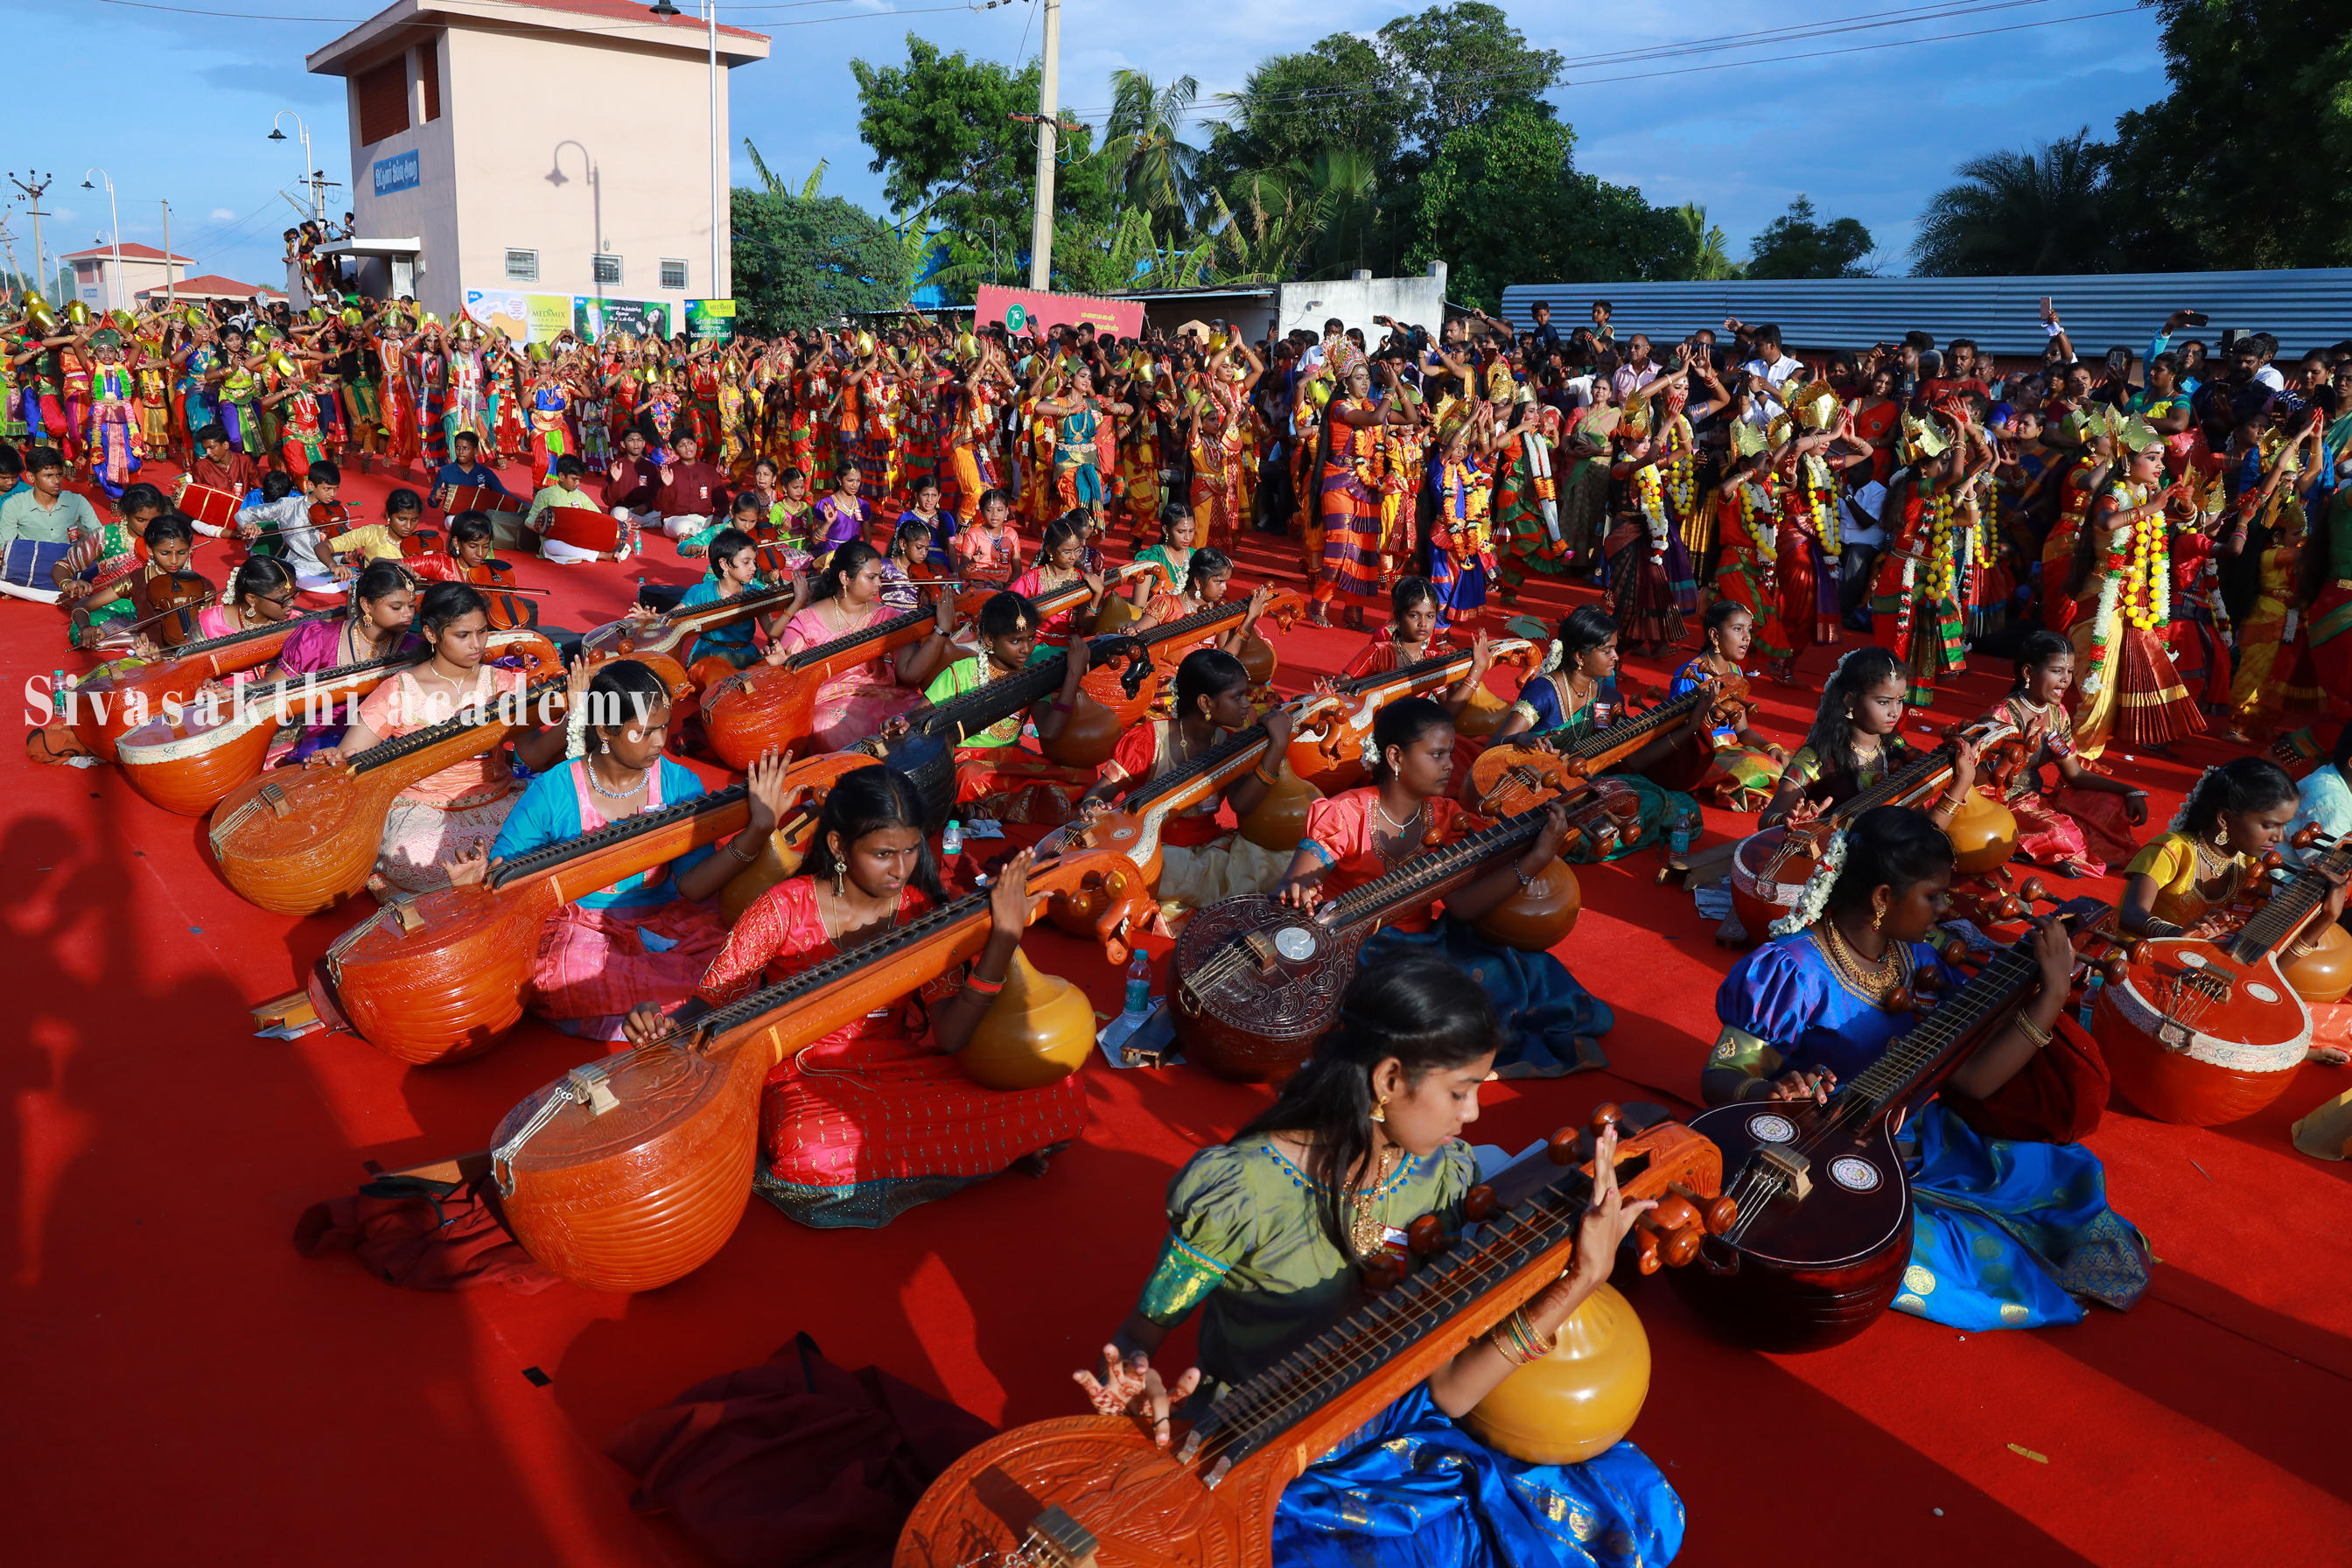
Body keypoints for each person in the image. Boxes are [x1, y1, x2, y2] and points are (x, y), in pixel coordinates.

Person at [1078, 956, 1682, 1568]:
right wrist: (1134, 1383)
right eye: (1459, 1091)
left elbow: (1444, 1391)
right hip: (1261, 1451)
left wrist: (1582, 1279)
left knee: (1630, 1509)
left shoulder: (1441, 1178)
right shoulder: (1245, 1193)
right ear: (1390, 1079)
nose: (1471, 1115)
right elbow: (1138, 1336)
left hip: (1396, 1432)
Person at [1708, 805, 2150, 1330]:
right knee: (1909, 1250)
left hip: (1911, 1143)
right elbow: (1719, 1073)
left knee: (2057, 1176)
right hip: (1805, 1149)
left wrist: (2052, 993)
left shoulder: (1916, 960)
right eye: (1932, 896)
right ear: (1882, 899)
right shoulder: (1794, 970)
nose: (1945, 909)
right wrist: (1770, 1087)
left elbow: (1970, 1079)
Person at [621, 772, 1088, 1228]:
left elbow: (948, 1036)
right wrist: (663, 1027)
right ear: (839, 847)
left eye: (909, 850)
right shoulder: (784, 907)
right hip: (807, 1075)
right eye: (883, 854)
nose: (901, 868)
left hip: (901, 1068)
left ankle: (943, 1161)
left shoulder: (918, 911)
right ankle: (983, 1157)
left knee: (1062, 1092)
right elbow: (713, 998)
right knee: (807, 1148)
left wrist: (1003, 940)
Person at [450, 662, 795, 1039]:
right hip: (581, 928)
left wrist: (758, 830)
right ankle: (664, 1019)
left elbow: (693, 887)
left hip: (667, 922)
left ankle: (643, 1018)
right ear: (605, 731)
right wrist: (476, 884)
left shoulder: (680, 783)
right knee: (567, 971)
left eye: (663, 727)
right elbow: (508, 869)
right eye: (643, 732)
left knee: (734, 963)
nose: (658, 742)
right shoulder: (555, 790)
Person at [1278, 696, 1611, 1078]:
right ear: (1395, 757)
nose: (1450, 764)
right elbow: (1298, 880)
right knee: (1423, 1003)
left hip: (1424, 943)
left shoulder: (1446, 816)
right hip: (1357, 950)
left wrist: (1535, 858)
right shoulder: (1344, 813)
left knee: (1522, 970)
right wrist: (1300, 890)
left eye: (1450, 753)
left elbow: (1462, 906)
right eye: (1437, 754)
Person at [301, 581, 570, 893]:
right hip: (424, 813)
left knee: (552, 837)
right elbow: (350, 753)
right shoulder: (400, 690)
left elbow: (534, 756)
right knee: (416, 854)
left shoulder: (504, 683)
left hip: (498, 799)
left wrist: (575, 717)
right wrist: (334, 757)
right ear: (431, 634)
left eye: (482, 632)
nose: (476, 645)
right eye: (462, 635)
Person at [1081, 648, 1299, 919]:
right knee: (1162, 869)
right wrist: (1094, 809)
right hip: (1159, 853)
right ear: (1206, 703)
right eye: (1237, 696)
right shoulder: (1150, 741)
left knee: (1290, 859)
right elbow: (1097, 794)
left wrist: (1277, 746)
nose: (1247, 703)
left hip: (1209, 852)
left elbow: (1242, 803)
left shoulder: (1228, 742)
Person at [1491, 606, 1711, 858]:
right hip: (1529, 788)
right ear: (1580, 657)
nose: (1616, 656)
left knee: (1662, 802)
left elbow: (1630, 759)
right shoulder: (1545, 692)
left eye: (1615, 649)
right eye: (1607, 650)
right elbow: (1495, 744)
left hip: (1577, 787)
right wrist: (1522, 737)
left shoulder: (1605, 700)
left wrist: (1691, 727)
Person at [2066, 426, 2203, 758]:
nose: (2159, 465)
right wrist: (2151, 507)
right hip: (2104, 597)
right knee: (2099, 683)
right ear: (2128, 462)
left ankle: (2091, 752)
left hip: (2136, 599)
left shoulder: (2144, 497)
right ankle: (2081, 755)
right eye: (2151, 458)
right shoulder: (2113, 495)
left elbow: (2185, 520)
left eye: (2161, 459)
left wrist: (2185, 505)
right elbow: (2108, 523)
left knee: (2127, 679)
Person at [917, 590, 1097, 826]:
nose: (1026, 649)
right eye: (1015, 641)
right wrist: (901, 722)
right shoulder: (961, 672)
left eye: (1031, 638)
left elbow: (1050, 731)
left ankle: (982, 808)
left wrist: (1073, 674)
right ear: (991, 640)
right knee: (972, 778)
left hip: (1008, 762)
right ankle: (998, 804)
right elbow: (919, 714)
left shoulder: (1030, 679)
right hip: (964, 762)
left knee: (1086, 775)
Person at [760, 540, 956, 750]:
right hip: (831, 704)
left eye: (879, 577)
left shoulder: (888, 617)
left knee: (920, 715)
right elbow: (789, 678)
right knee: (823, 725)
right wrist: (781, 667)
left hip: (884, 698)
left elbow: (909, 673)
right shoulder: (807, 621)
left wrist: (941, 631)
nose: (879, 584)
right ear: (845, 578)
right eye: (871, 578)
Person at [1759, 647, 1977, 831]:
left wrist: (1962, 778)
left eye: (1900, 700)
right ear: (1851, 701)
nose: (1895, 711)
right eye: (1884, 702)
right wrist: (1790, 820)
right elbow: (1766, 820)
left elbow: (1923, 832)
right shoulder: (1818, 757)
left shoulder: (1896, 748)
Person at [1990, 631, 2147, 878]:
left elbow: (2074, 774)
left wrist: (2128, 790)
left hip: (2037, 800)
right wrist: (2024, 745)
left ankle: (2054, 850)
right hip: (2001, 804)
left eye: (2070, 671)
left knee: (2112, 804)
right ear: (2029, 673)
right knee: (2062, 832)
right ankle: (2039, 849)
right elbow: (1987, 780)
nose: (2065, 680)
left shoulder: (2058, 713)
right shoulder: (2003, 715)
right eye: (2056, 671)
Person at [1670, 599, 1787, 809]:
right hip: (1703, 755)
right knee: (1761, 768)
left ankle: (1748, 794)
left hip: (1732, 749)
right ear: (1714, 635)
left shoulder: (1735, 672)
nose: (1747, 637)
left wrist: (1770, 747)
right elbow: (1683, 735)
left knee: (1790, 763)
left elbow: (1742, 730)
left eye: (1749, 630)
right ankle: (1744, 792)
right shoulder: (1689, 675)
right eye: (1737, 629)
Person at [1340, 577, 1494, 718]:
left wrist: (1478, 668)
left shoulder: (1434, 661)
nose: (1423, 623)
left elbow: (1448, 711)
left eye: (1430, 616)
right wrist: (1327, 689)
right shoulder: (1378, 652)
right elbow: (1341, 686)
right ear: (1398, 618)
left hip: (1414, 737)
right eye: (1414, 615)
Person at [670, 527, 803, 670]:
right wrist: (651, 617)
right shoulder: (701, 592)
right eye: (746, 562)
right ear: (724, 564)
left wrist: (798, 601)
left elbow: (772, 631)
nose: (753, 568)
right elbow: (671, 620)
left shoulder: (754, 592)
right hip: (708, 660)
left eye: (754, 561)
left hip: (746, 657)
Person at [0, 446, 105, 604]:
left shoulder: (77, 501)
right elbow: (6, 549)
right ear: (31, 477)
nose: (56, 481)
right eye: (48, 476)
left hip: (67, 569)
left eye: (59, 475)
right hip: (29, 568)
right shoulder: (13, 505)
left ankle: (37, 592)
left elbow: (101, 537)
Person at [1004, 513, 1108, 646]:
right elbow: (1008, 607)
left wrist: (1098, 594)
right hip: (1034, 646)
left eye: (1077, 551)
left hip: (1069, 647)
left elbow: (1086, 625)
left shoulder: (1082, 579)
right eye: (1067, 552)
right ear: (1049, 550)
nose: (1073, 557)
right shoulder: (1033, 579)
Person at [529, 454, 624, 564]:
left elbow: (599, 518)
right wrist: (538, 525)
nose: (577, 483)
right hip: (557, 542)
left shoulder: (581, 496)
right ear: (561, 476)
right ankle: (600, 555)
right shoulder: (544, 495)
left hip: (580, 540)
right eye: (574, 479)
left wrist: (619, 524)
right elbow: (529, 522)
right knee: (550, 546)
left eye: (579, 480)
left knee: (624, 547)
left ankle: (586, 553)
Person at [190, 552, 301, 641]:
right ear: (252, 599)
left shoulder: (294, 622)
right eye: (284, 600)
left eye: (293, 596)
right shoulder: (211, 622)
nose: (292, 604)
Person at [326, 486, 429, 566]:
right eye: (402, 519)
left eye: (414, 520)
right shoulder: (371, 533)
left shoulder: (421, 543)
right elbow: (323, 547)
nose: (409, 526)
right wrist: (333, 566)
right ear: (389, 515)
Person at [654, 430, 727, 542]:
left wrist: (717, 518)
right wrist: (667, 486)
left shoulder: (709, 471)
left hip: (704, 519)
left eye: (690, 443)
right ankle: (707, 536)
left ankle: (698, 536)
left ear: (696, 444)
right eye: (681, 445)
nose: (688, 448)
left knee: (729, 519)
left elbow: (722, 502)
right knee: (684, 526)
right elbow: (659, 506)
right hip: (677, 519)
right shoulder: (667, 471)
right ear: (674, 451)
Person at [951, 485, 1023, 588]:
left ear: (1007, 511)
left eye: (999, 510)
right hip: (977, 587)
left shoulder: (1011, 534)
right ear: (981, 511)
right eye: (989, 510)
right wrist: (972, 563)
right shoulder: (973, 535)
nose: (994, 514)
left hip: (1004, 588)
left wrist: (1006, 591)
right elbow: (962, 573)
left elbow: (1017, 571)